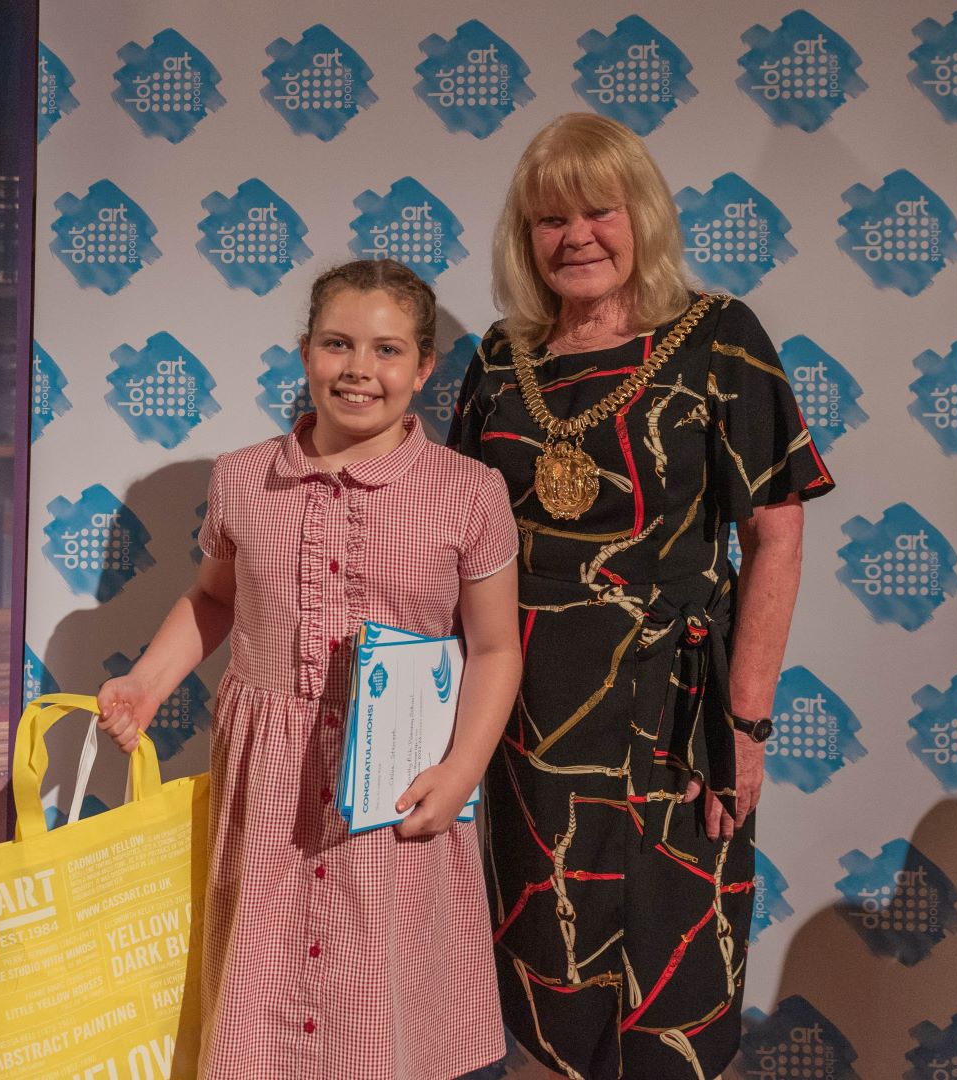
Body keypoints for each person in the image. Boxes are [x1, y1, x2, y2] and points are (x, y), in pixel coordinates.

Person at [448, 113, 835, 1079]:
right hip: (525, 711)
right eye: (549, 219)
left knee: (676, 971)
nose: (575, 236)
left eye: (597, 210)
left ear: (642, 217)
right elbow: (449, 528)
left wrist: (746, 725)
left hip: (677, 708)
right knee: (549, 948)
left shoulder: (721, 338)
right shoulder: (500, 357)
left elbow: (776, 535)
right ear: (523, 239)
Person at [96, 259, 522, 1079]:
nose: (360, 369)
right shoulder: (243, 480)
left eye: (387, 350)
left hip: (399, 782)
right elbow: (214, 599)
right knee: (263, 1001)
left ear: (424, 368)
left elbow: (497, 648)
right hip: (273, 785)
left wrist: (462, 771)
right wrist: (148, 682)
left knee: (386, 1009)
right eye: (338, 344)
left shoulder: (469, 494)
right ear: (304, 353)